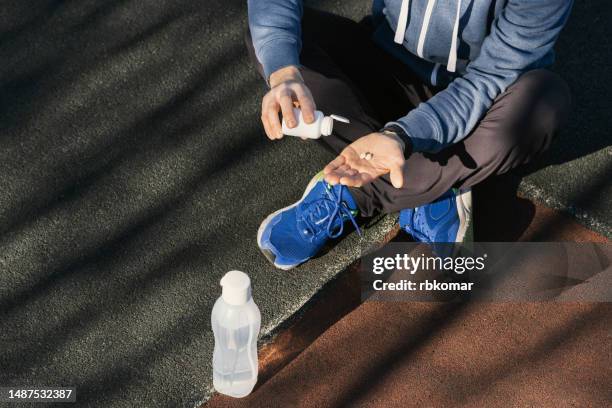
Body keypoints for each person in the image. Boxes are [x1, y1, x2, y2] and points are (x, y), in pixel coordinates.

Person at [247, 0, 573, 270]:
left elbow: (491, 77)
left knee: (544, 103)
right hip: (387, 63)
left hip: (483, 99)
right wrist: (284, 73)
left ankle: (360, 191)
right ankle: (434, 179)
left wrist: (400, 136)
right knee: (277, 43)